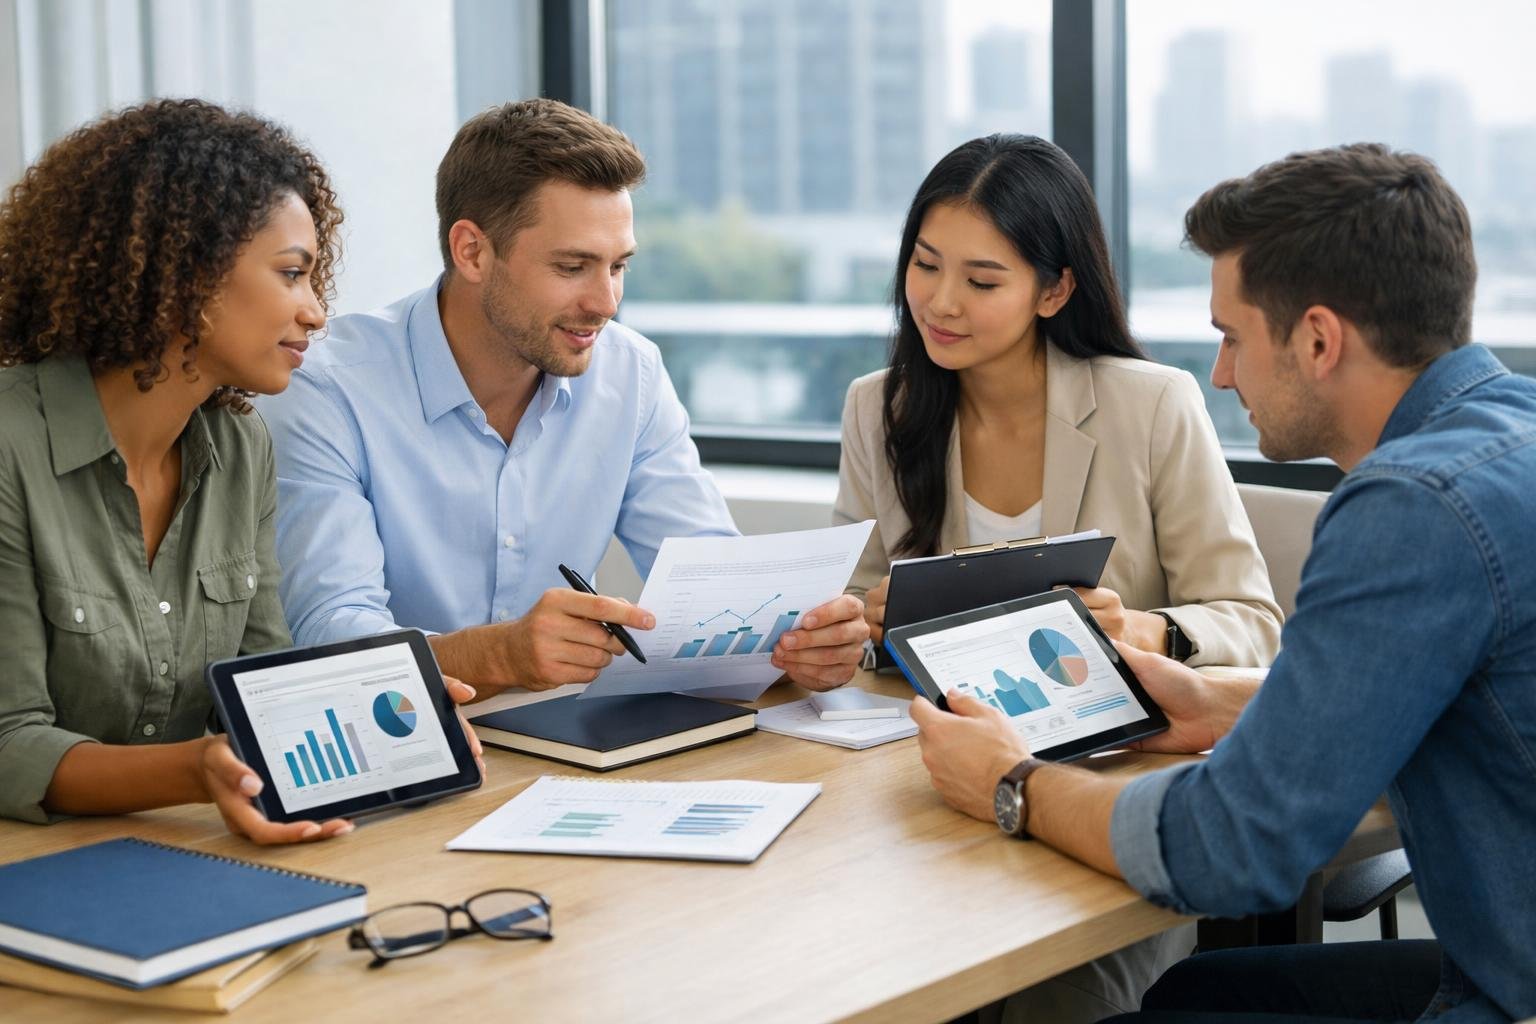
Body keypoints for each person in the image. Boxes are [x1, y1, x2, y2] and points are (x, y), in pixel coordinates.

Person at [912, 144, 1536, 1023]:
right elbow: (1440, 699)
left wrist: (1011, 783)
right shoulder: (1513, 430)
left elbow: (1234, 848)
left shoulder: (1409, 509)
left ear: (1318, 340)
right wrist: (1213, 701)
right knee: (1196, 992)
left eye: (1233, 337)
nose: (1223, 374)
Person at [258, 99, 867, 695]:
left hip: (562, 746)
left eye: (618, 266)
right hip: (405, 749)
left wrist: (796, 642)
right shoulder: (327, 387)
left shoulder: (632, 373)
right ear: (471, 251)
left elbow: (710, 579)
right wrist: (501, 654)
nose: (606, 303)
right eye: (573, 266)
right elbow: (331, 634)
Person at [0, 99, 487, 842]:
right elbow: (9, 743)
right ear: (181, 271)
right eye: (292, 274)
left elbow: (266, 680)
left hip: (176, 849)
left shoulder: (239, 447)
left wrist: (381, 705)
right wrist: (198, 769)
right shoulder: (10, 448)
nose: (316, 312)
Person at [834, 134, 1281, 669]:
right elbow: (853, 605)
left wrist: (1140, 630)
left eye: (980, 282)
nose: (941, 303)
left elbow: (1252, 623)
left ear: (1054, 292)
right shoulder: (877, 408)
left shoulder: (1153, 406)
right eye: (926, 266)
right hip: (936, 734)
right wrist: (858, 630)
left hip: (1116, 743)